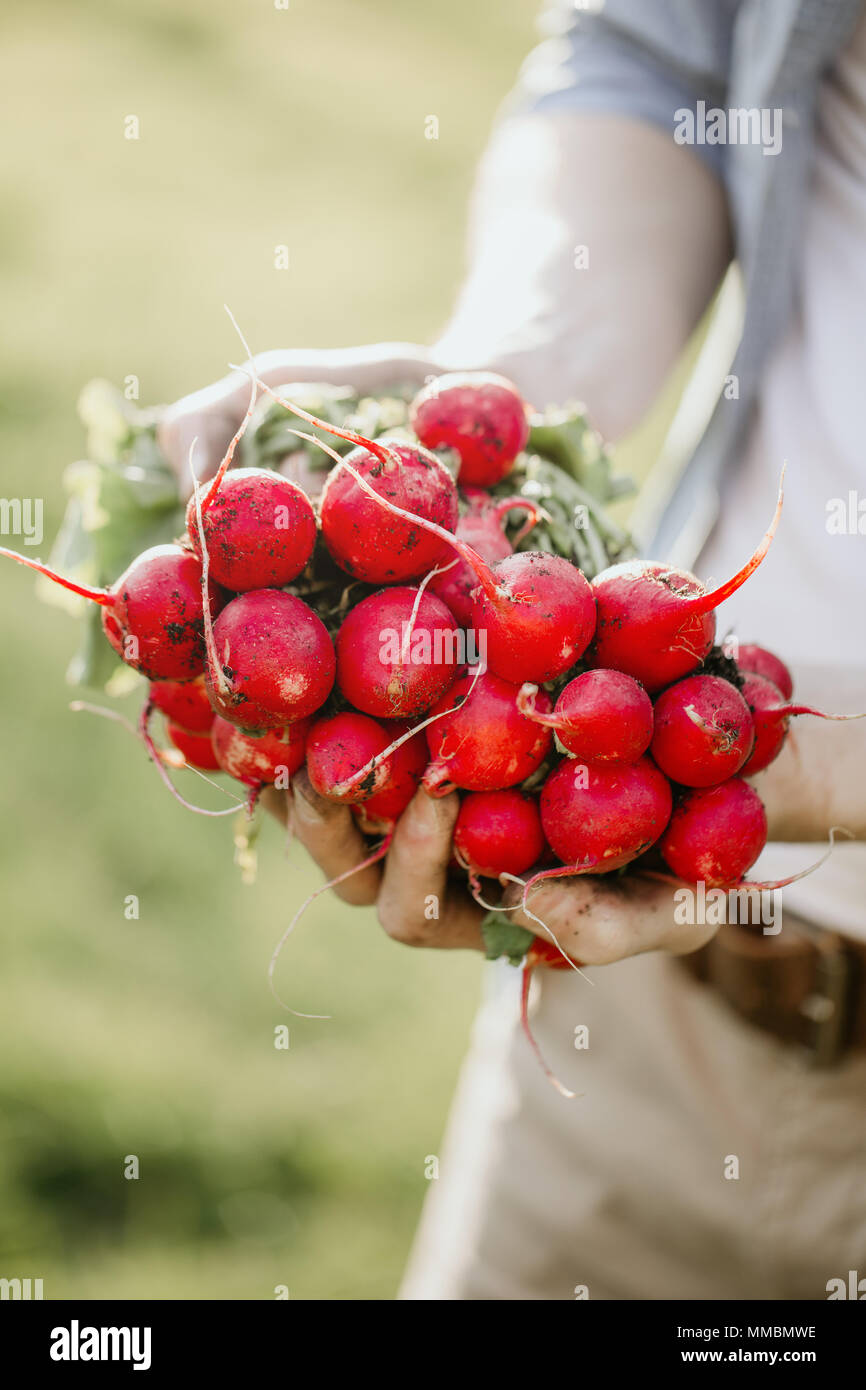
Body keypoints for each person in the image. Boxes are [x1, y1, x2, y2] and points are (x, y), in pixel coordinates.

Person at [158, 0, 866, 1300]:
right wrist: (510, 401)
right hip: (664, 1012)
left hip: (675, 820)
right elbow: (657, 51)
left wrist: (800, 768)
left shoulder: (701, 752)